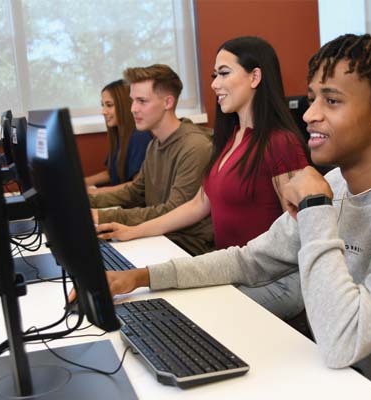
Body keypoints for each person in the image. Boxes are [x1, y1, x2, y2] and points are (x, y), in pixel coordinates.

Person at [98, 34, 371, 399]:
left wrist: (316, 209)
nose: (310, 114)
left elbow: (344, 338)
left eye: (331, 101)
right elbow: (250, 259)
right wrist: (144, 277)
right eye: (313, 99)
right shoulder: (338, 185)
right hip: (323, 372)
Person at [96, 36, 310, 320]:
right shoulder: (231, 138)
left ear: (255, 76)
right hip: (230, 269)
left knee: (180, 319)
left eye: (224, 73)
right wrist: (134, 231)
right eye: (213, 75)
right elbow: (199, 203)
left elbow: (300, 233)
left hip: (271, 280)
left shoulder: (280, 143)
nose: (214, 84)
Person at [89, 64, 214, 256]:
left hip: (188, 247)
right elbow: (135, 191)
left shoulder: (195, 147)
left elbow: (173, 211)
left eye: (142, 101)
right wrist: (86, 201)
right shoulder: (154, 144)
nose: (133, 109)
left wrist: (103, 215)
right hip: (161, 238)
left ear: (168, 102)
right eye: (132, 101)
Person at [84, 79, 152, 194]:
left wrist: (98, 192)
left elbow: (137, 186)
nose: (103, 111)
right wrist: (84, 182)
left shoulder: (139, 137)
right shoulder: (119, 136)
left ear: (125, 106)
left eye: (109, 105)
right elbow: (112, 173)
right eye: (103, 105)